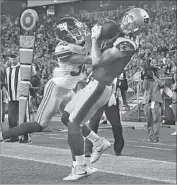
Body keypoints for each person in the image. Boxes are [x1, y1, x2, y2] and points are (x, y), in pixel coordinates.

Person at [62, 8, 150, 181]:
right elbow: (92, 57)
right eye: (127, 19)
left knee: (74, 124)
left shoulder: (128, 43)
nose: (125, 23)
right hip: (93, 82)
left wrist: (95, 38)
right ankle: (98, 142)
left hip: (100, 85)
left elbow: (97, 60)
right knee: (66, 116)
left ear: (136, 28)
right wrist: (73, 55)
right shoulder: (118, 36)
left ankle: (79, 168)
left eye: (131, 23)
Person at [142, 66, 165, 143]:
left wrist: (154, 77)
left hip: (155, 101)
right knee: (149, 121)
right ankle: (150, 137)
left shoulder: (158, 80)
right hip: (147, 101)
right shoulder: (146, 80)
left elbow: (162, 85)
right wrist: (146, 78)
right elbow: (144, 87)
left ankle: (156, 137)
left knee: (156, 120)